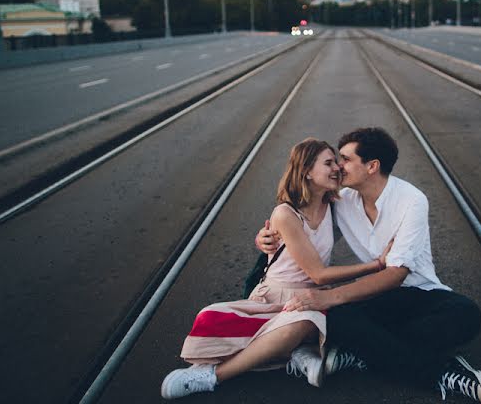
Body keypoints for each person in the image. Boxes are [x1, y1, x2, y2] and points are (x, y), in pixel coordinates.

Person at [257, 127, 481, 403]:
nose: (338, 167)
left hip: (419, 294)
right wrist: (266, 238)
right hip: (375, 296)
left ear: (372, 166)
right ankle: (439, 371)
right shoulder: (341, 202)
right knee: (337, 319)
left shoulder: (411, 200)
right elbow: (301, 226)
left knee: (466, 315)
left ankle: (364, 353)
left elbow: (396, 275)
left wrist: (327, 297)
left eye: (344, 159)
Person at [161, 138, 391, 399]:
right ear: (306, 170)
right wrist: (376, 266)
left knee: (310, 317)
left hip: (312, 299)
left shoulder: (334, 207)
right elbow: (318, 273)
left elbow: (370, 212)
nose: (337, 167)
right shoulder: (286, 213)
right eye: (328, 163)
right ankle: (285, 354)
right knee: (210, 316)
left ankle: (218, 374)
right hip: (275, 296)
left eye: (336, 162)